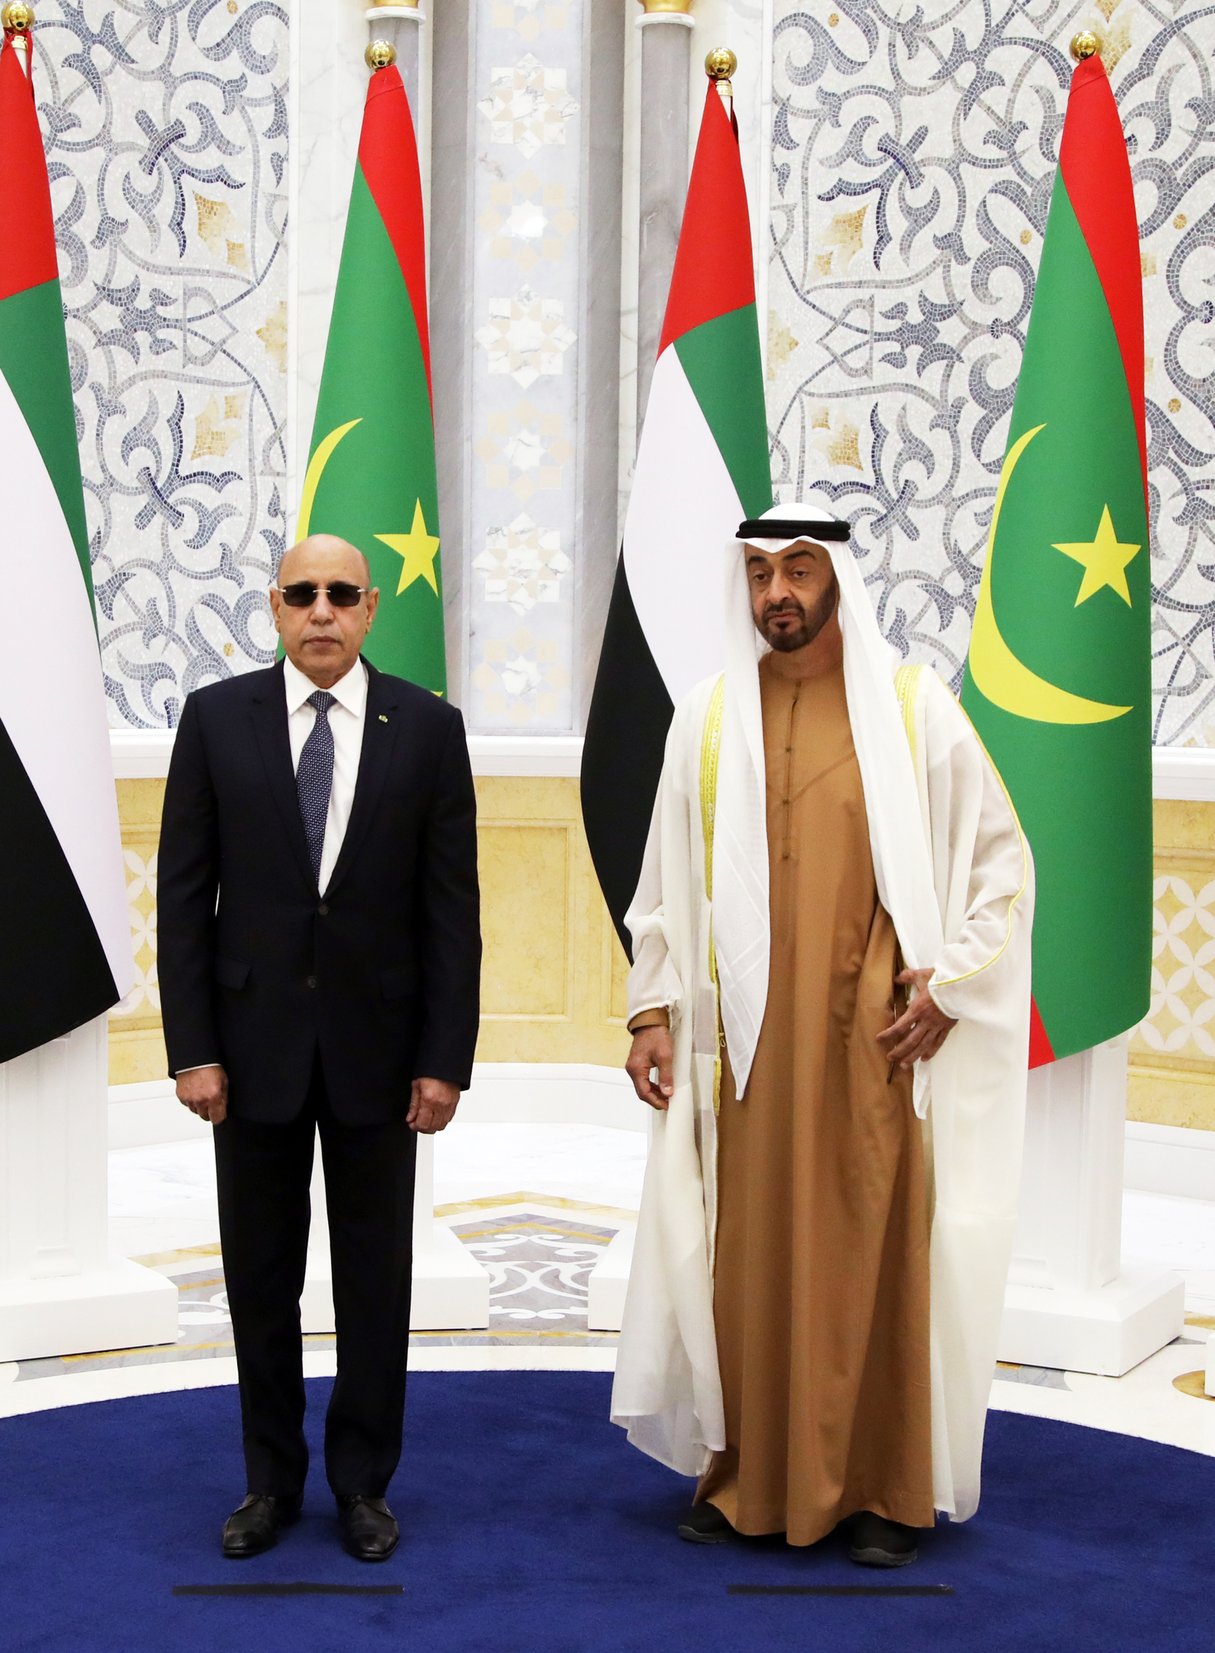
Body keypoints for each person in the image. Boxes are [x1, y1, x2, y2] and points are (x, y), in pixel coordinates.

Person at [611, 502, 1033, 1567]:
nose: (778, 596)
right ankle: (748, 1475)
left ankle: (885, 1492)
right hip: (740, 1051)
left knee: (866, 1252)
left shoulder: (912, 708)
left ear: (838, 577)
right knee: (744, 1259)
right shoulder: (708, 717)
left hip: (872, 1044)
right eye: (759, 576)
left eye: (799, 571)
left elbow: (1001, 866)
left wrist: (954, 985)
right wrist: (653, 1009)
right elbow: (661, 880)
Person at [158, 534, 480, 1562]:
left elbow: (450, 914)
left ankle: (362, 1487)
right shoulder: (217, 720)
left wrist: (445, 1058)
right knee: (260, 1277)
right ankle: (269, 1484)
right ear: (275, 606)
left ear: (372, 607)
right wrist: (193, 1047)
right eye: (303, 595)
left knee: (375, 1281)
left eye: (342, 594)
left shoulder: (428, 730)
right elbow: (181, 899)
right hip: (247, 1055)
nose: (323, 612)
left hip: (382, 1058)